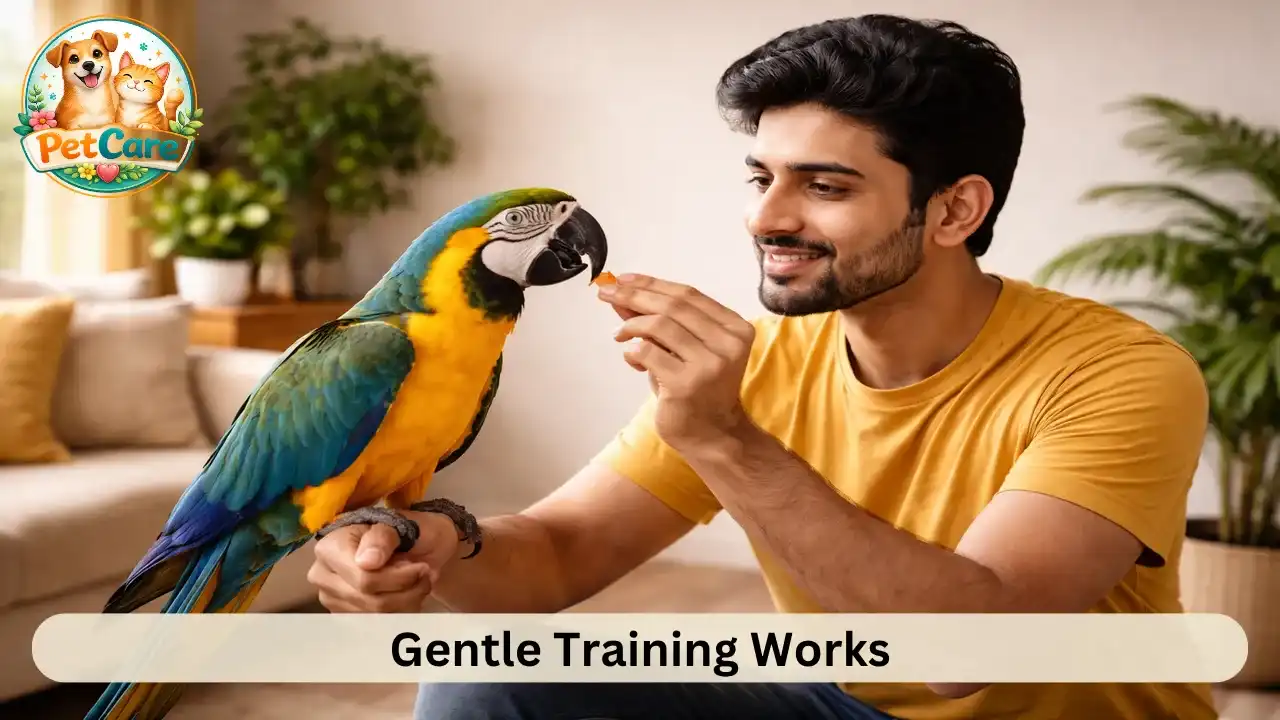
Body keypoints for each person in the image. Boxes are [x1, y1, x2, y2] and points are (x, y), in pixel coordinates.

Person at [306, 13, 1218, 720]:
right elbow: (557, 554)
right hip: (842, 705)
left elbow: (965, 651)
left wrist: (723, 438)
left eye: (824, 186)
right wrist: (435, 546)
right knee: (485, 687)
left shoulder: (1120, 374)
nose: (765, 217)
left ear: (953, 212)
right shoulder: (770, 357)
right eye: (761, 177)